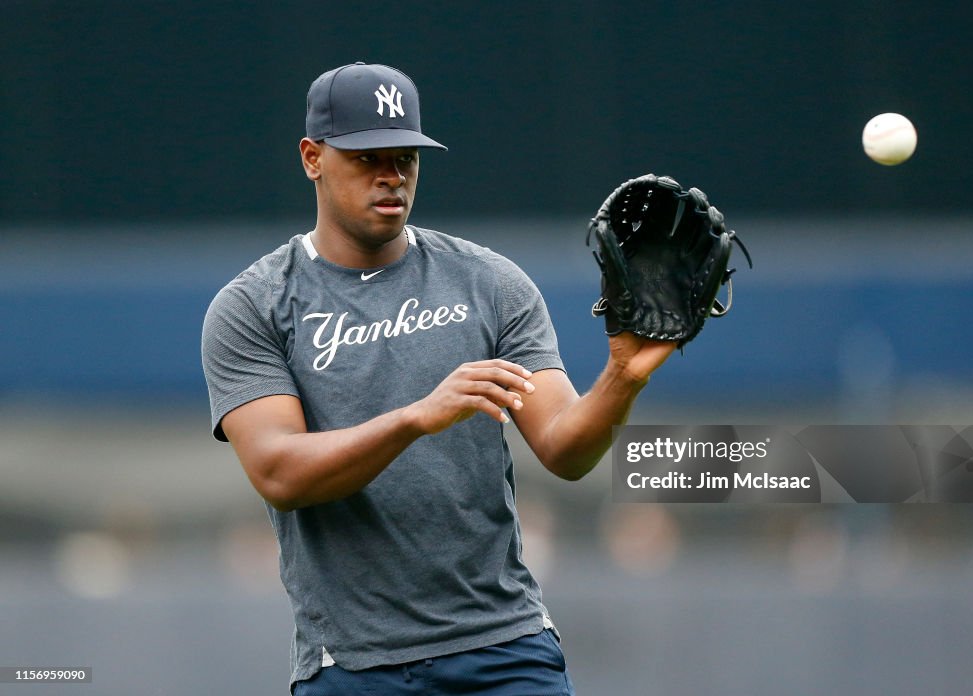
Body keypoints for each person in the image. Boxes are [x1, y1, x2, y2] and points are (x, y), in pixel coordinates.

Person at [201, 62, 677, 695]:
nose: (391, 175)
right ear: (313, 158)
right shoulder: (254, 306)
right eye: (367, 157)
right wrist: (415, 418)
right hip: (353, 664)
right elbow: (280, 473)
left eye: (405, 157)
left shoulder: (490, 283)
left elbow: (565, 450)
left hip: (503, 648)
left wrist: (622, 376)